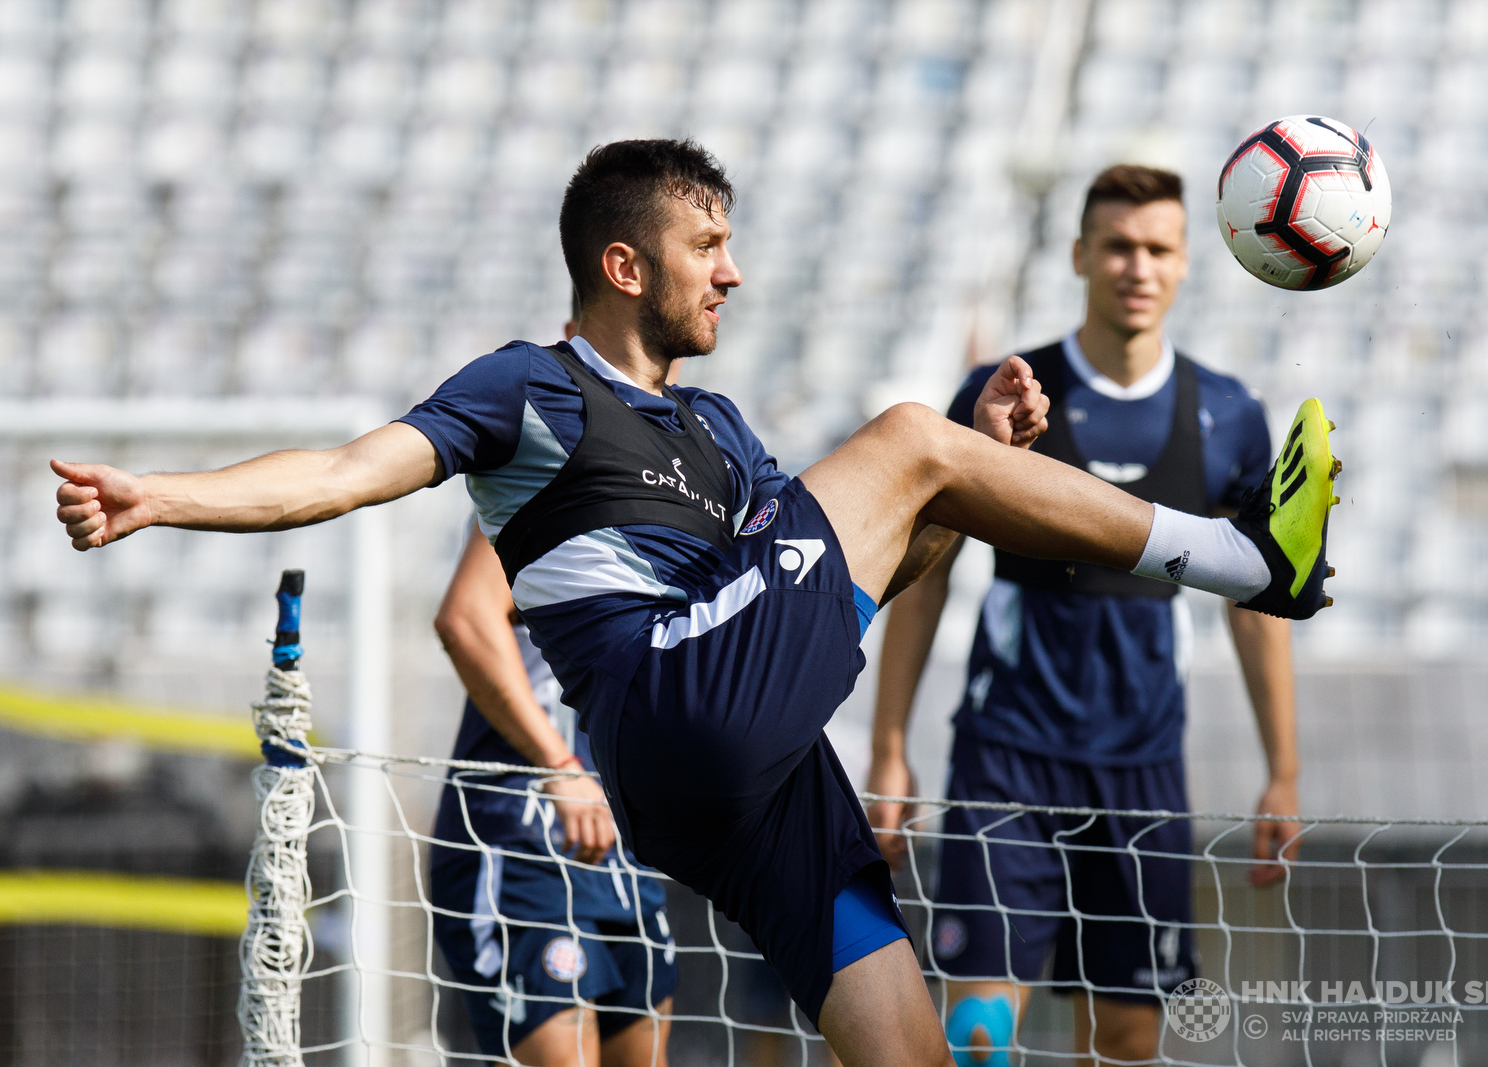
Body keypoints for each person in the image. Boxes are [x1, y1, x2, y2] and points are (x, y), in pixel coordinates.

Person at [50, 139, 1337, 1067]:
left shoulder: (719, 427)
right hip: (664, 701)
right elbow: (343, 471)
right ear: (624, 263)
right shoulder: (530, 388)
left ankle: (1105, 508)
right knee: (907, 431)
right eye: (706, 245)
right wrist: (163, 494)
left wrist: (961, 486)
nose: (731, 271)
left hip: (753, 766)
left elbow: (868, 575)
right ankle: (1253, 560)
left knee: (910, 1046)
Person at [867, 164, 1306, 1066]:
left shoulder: (1228, 415)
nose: (1135, 266)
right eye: (1116, 246)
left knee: (1130, 1042)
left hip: (1145, 767)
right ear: (1079, 255)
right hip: (1005, 758)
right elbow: (926, 579)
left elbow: (1255, 603)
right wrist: (889, 745)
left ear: (1188, 261)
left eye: (1157, 248)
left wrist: (1283, 770)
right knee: (978, 1038)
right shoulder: (1007, 395)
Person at [432, 522, 677, 1066]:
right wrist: (559, 766)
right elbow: (465, 618)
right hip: (523, 838)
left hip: (629, 849)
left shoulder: (705, 491)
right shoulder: (543, 475)